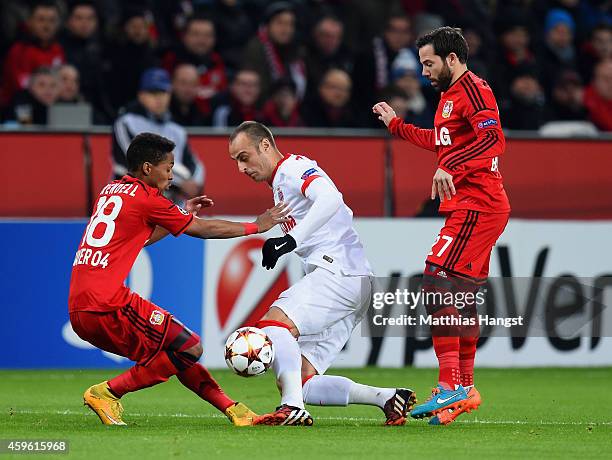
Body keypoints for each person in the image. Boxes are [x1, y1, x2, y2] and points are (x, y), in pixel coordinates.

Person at [70, 132, 290, 426]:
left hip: (80, 307)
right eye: (169, 167)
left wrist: (180, 213)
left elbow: (137, 239)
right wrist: (257, 226)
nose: (172, 175)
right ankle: (107, 392)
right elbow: (203, 229)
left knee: (175, 352)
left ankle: (235, 411)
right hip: (108, 304)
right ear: (148, 168)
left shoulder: (111, 191)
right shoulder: (148, 199)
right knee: (191, 347)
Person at [228, 121, 416, 426]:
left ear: (265, 145)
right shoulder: (280, 186)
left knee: (274, 325)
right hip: (354, 283)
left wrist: (290, 240)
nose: (240, 168)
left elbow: (331, 198)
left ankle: (292, 409)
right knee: (299, 380)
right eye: (235, 161)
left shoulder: (293, 168)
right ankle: (386, 398)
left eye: (244, 157)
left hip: (338, 274)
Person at [373, 26, 511, 426]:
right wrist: (397, 126)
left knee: (436, 278)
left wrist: (449, 165)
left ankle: (449, 382)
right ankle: (465, 388)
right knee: (462, 296)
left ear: (452, 59)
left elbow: (494, 140)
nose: (424, 72)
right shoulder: (451, 97)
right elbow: (442, 141)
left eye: (429, 63)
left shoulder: (472, 88)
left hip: (477, 204)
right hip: (474, 205)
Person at [112, 68, 204, 201]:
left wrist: (195, 182)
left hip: (170, 201)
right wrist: (179, 183)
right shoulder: (126, 122)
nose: (159, 98)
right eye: (153, 93)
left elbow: (194, 164)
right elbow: (134, 160)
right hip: (133, 198)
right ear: (141, 95)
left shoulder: (177, 130)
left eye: (163, 92)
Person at [0, 1, 64, 107]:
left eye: (52, 21)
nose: (46, 26)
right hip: (18, 110)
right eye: (41, 20)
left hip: (51, 109)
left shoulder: (58, 49)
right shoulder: (18, 51)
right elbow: (21, 86)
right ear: (30, 22)